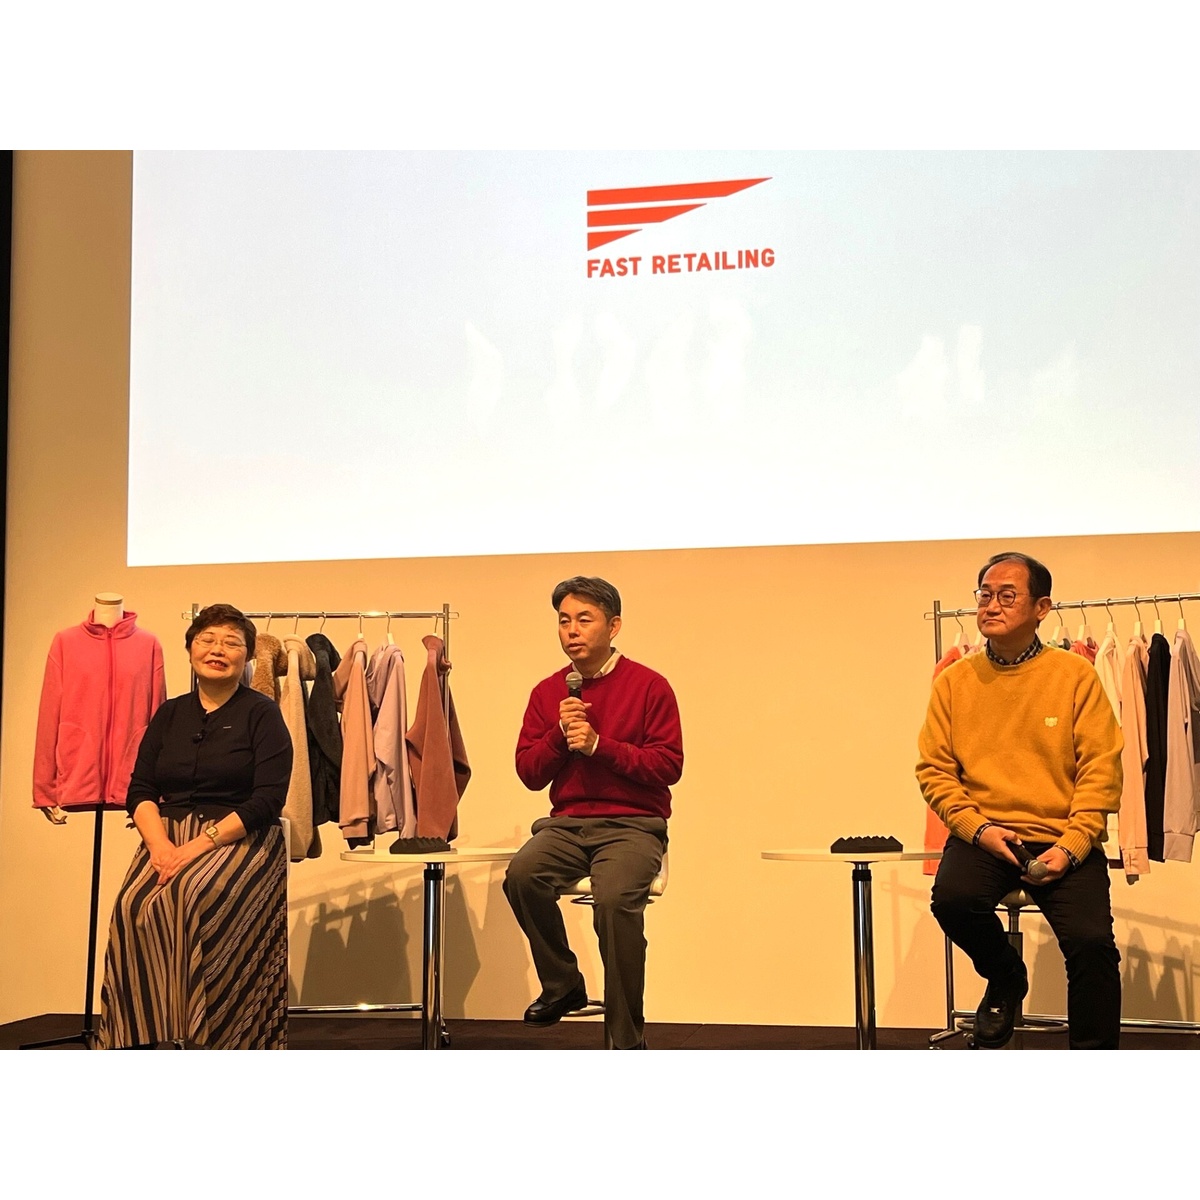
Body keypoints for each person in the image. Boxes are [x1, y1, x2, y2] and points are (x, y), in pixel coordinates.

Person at [916, 552, 1123, 1049]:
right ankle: (1006, 977)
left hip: (1062, 835)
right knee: (953, 901)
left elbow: (1101, 768)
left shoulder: (1075, 675)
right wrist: (980, 830)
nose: (991, 605)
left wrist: (1073, 845)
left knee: (1093, 945)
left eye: (1007, 596)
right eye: (984, 594)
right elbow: (935, 770)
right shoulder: (954, 681)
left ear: (1041, 608)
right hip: (986, 835)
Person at [97, 604, 293, 1049]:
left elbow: (267, 800)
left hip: (240, 837)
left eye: (231, 643)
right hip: (166, 837)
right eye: (207, 640)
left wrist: (191, 850)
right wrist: (161, 847)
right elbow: (141, 790)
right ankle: (142, 1038)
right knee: (131, 907)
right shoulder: (169, 714)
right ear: (190, 649)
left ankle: (221, 1038)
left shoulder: (262, 713)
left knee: (195, 895)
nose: (217, 650)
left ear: (247, 657)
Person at [505, 576, 683, 1049]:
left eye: (584, 619)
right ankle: (563, 984)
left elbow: (668, 765)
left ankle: (626, 1040)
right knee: (522, 875)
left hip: (633, 825)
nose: (572, 630)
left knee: (615, 902)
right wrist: (558, 736)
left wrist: (600, 746)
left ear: (613, 626)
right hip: (566, 826)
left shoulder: (650, 686)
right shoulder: (548, 692)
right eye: (564, 621)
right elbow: (529, 773)